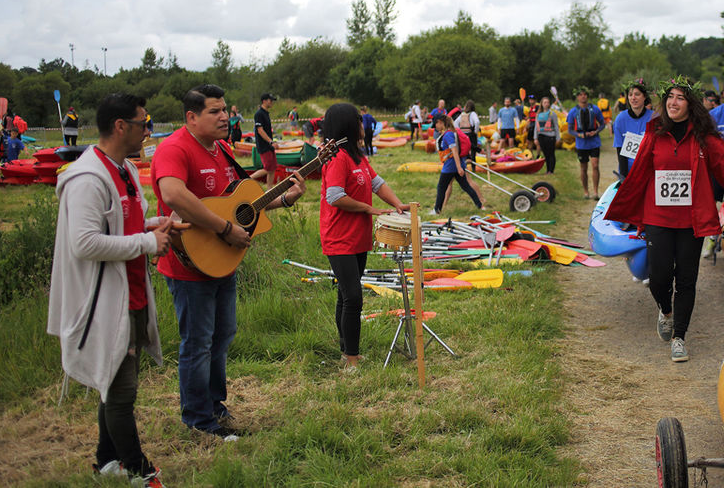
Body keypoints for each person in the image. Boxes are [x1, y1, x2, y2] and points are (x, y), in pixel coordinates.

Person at [152, 84, 307, 440]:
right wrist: (224, 229)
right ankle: (198, 421)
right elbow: (174, 194)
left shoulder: (221, 149)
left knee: (221, 337)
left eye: (225, 110)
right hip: (190, 264)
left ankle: (214, 408)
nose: (225, 117)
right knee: (198, 342)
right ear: (191, 117)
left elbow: (240, 203)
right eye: (214, 111)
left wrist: (284, 200)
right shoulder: (174, 148)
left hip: (222, 261)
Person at [47, 93, 172, 487]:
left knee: (113, 381)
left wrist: (155, 224)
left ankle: (106, 461)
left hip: (131, 294)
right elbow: (84, 243)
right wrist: (147, 244)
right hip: (103, 303)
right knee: (122, 391)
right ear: (121, 126)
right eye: (142, 123)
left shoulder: (126, 171)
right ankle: (139, 470)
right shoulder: (87, 179)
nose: (147, 131)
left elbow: (125, 224)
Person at [605, 76, 724, 362]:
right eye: (670, 97)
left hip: (693, 221)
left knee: (687, 280)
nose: (673, 102)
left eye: (680, 97)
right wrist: (626, 209)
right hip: (658, 217)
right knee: (659, 277)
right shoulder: (654, 132)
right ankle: (665, 311)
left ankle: (680, 336)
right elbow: (638, 173)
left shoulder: (706, 138)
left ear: (691, 104)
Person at [320, 103, 409, 371]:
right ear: (348, 124)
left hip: (358, 238)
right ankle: (351, 360)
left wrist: (397, 204)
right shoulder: (337, 158)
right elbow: (334, 196)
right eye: (359, 121)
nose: (364, 125)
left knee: (346, 295)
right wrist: (370, 208)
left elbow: (376, 183)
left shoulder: (358, 156)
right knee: (354, 297)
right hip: (338, 238)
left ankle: (346, 351)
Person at [431, 114, 483, 215]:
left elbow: (454, 151)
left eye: (435, 125)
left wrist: (459, 167)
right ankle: (480, 206)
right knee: (466, 186)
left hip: (451, 167)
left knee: (441, 187)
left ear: (440, 122)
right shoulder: (450, 133)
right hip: (455, 165)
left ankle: (437, 210)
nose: (435, 127)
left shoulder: (448, 134)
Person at [566, 86, 605, 199]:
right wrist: (579, 135)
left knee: (595, 165)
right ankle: (585, 192)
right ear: (577, 97)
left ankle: (596, 192)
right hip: (581, 142)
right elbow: (570, 129)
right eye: (581, 94)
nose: (583, 96)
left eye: (585, 94)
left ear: (587, 96)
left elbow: (602, 124)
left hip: (594, 141)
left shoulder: (595, 109)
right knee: (583, 168)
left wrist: (596, 131)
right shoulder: (573, 111)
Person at [612, 79, 653, 180]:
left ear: (644, 97)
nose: (633, 98)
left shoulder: (654, 118)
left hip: (649, 172)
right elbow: (620, 150)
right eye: (630, 95)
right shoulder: (620, 119)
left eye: (637, 94)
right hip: (628, 171)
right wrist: (624, 177)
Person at [252, 93, 278, 185]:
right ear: (264, 101)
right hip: (264, 145)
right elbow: (260, 130)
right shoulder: (259, 114)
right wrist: (271, 142)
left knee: (273, 168)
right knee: (268, 169)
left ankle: (269, 190)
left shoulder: (266, 113)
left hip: (269, 145)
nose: (272, 102)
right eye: (270, 100)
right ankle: (248, 179)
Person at [534, 96, 560, 174]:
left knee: (551, 153)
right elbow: (536, 126)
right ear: (541, 104)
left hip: (550, 136)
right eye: (544, 102)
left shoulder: (552, 114)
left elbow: (556, 126)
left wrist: (558, 138)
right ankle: (547, 169)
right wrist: (535, 138)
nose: (546, 104)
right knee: (545, 154)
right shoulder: (538, 114)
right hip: (541, 136)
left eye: (547, 102)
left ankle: (551, 170)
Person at [455, 100, 480, 168]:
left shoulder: (462, 114)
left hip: (463, 135)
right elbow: (477, 122)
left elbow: (455, 123)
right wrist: (475, 131)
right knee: (473, 152)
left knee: (464, 151)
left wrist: (459, 132)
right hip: (471, 134)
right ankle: (473, 167)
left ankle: (463, 166)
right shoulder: (473, 114)